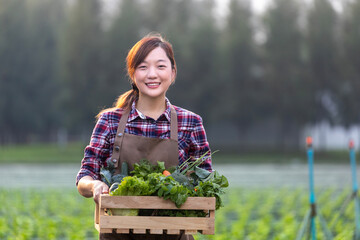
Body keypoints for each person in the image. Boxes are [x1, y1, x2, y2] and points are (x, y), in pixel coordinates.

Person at [76, 33, 213, 240]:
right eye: (143, 67)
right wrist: (95, 185)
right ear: (133, 74)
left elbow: (205, 181)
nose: (152, 74)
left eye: (160, 66)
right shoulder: (110, 121)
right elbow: (85, 175)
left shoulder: (190, 122)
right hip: (118, 234)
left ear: (173, 73)